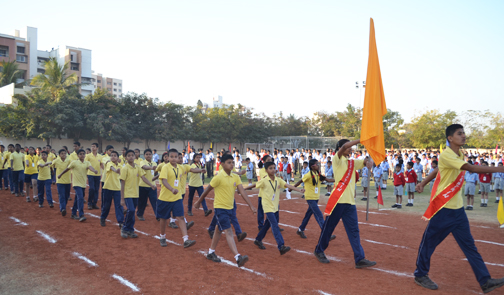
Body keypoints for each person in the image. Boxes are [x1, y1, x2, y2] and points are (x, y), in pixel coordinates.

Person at [414, 124, 504, 292]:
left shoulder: (458, 154)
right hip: (443, 210)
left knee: (469, 247)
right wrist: (500, 169)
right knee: (428, 244)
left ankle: (485, 281)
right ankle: (420, 274)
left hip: (458, 211)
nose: (463, 136)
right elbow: (469, 168)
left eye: (464, 133)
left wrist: (423, 182)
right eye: (460, 133)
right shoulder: (447, 155)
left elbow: (437, 171)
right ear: (450, 138)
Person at [312, 139, 376, 269]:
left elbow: (364, 162)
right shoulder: (337, 159)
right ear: (340, 148)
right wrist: (361, 139)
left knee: (354, 231)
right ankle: (319, 250)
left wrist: (368, 162)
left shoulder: (351, 162)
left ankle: (360, 258)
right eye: (348, 148)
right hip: (338, 201)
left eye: (351, 148)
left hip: (350, 203)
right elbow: (346, 145)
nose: (350, 149)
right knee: (329, 228)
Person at [195, 154, 256, 267]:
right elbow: (207, 190)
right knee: (228, 231)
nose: (231, 164)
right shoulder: (218, 177)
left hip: (230, 209)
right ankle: (238, 257)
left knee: (218, 230)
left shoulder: (235, 177)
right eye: (229, 162)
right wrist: (199, 201)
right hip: (220, 209)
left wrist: (251, 205)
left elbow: (242, 192)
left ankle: (211, 252)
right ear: (222, 164)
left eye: (232, 162)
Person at [246, 162, 305, 254]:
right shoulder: (264, 180)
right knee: (274, 225)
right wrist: (242, 189)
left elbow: (287, 185)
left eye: (274, 168)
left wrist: (298, 190)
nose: (273, 170)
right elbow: (254, 185)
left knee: (267, 225)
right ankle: (281, 246)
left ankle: (258, 239)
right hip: (267, 207)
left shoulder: (278, 180)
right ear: (266, 170)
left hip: (275, 207)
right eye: (270, 168)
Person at [156, 149, 198, 248]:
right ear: (168, 157)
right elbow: (164, 181)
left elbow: (191, 169)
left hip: (177, 198)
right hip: (165, 198)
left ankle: (186, 239)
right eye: (172, 157)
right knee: (163, 218)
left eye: (176, 157)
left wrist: (200, 170)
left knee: (181, 217)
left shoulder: (180, 168)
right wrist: (171, 189)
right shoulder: (165, 167)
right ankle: (162, 237)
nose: (174, 159)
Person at [292, 159, 336, 241]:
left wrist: (341, 180)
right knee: (319, 214)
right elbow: (300, 181)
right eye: (317, 164)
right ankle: (326, 234)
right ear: (312, 166)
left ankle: (300, 229)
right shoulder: (308, 175)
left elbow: (329, 180)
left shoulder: (318, 174)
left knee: (308, 214)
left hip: (315, 198)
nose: (318, 165)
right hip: (310, 198)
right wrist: (292, 188)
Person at [120, 150, 156, 238]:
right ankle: (124, 228)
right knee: (131, 210)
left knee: (132, 212)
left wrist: (151, 185)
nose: (131, 157)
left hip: (136, 194)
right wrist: (122, 198)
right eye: (129, 155)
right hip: (128, 194)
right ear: (126, 158)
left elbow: (143, 178)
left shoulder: (137, 167)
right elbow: (122, 183)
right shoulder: (125, 168)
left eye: (132, 155)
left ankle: (130, 229)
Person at [59, 149, 98, 222]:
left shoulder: (87, 162)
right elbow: (67, 169)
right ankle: (81, 215)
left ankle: (73, 213)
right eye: (80, 154)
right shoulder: (74, 162)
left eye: (83, 154)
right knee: (80, 198)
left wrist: (94, 170)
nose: (82, 155)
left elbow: (90, 167)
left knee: (78, 198)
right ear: (78, 155)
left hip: (83, 184)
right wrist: (60, 174)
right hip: (76, 184)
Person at [100, 151, 124, 227]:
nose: (113, 157)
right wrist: (116, 170)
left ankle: (121, 222)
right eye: (112, 155)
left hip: (117, 188)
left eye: (115, 155)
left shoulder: (121, 166)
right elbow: (112, 168)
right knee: (107, 205)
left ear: (118, 157)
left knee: (119, 205)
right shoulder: (109, 163)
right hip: (108, 187)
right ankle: (103, 218)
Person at [136, 149, 158, 221]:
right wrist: (151, 168)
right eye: (147, 154)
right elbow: (144, 167)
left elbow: (154, 174)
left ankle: (158, 215)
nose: (148, 155)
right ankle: (140, 214)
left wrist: (158, 176)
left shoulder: (154, 163)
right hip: (143, 186)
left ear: (152, 155)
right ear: (144, 155)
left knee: (154, 201)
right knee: (142, 202)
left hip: (152, 186)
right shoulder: (142, 162)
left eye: (150, 154)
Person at [52, 149, 71, 216]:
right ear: (59, 155)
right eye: (62, 153)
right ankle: (63, 208)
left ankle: (63, 206)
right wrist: (52, 172)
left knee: (66, 195)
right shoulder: (56, 161)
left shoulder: (69, 160)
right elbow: (52, 165)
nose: (63, 155)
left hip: (68, 181)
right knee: (62, 195)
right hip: (60, 181)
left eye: (64, 153)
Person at [85, 143, 103, 210]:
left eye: (94, 146)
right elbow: (86, 164)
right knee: (91, 188)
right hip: (90, 174)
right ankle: (89, 203)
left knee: (96, 189)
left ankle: (94, 203)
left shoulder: (100, 156)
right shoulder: (88, 156)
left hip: (98, 175)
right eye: (92, 146)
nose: (92, 148)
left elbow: (101, 164)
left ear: (97, 148)